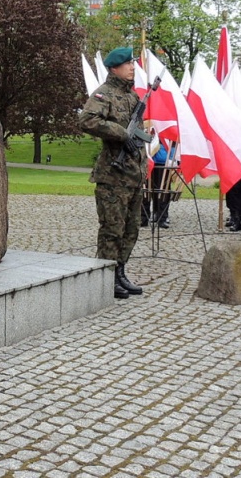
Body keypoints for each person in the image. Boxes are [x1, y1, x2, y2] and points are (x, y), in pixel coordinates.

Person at [78, 46, 149, 299]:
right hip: (112, 177)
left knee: (131, 230)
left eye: (132, 63)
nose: (132, 67)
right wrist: (121, 133)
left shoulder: (132, 97)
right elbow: (87, 121)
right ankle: (105, 277)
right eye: (128, 63)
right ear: (114, 68)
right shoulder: (103, 94)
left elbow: (136, 134)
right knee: (112, 230)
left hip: (133, 176)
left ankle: (119, 272)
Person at [142, 142, 171, 229]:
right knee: (145, 190)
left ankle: (162, 217)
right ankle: (143, 218)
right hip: (146, 160)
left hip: (163, 160)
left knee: (163, 191)